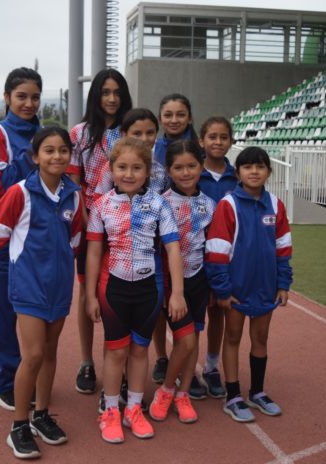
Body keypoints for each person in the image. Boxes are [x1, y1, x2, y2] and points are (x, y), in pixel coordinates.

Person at [0, 127, 83, 459]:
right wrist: (20, 268)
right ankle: (19, 425)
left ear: (71, 155)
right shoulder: (19, 193)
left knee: (51, 351)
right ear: (35, 155)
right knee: (34, 355)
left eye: (63, 150)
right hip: (29, 288)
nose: (57, 156)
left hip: (59, 288)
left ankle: (41, 415)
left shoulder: (74, 194)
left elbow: (76, 238)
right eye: (49, 150)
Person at [85, 137, 187, 443]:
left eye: (136, 168)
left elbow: (172, 250)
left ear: (147, 172)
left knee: (140, 350)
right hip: (112, 288)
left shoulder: (159, 204)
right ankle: (110, 412)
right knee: (116, 351)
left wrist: (178, 293)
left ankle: (133, 410)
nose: (129, 174)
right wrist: (89, 295)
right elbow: (92, 252)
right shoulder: (101, 205)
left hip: (149, 289)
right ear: (112, 169)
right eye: (122, 167)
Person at [204, 146, 293, 423]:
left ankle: (257, 391)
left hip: (265, 287)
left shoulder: (276, 205)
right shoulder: (228, 205)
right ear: (238, 173)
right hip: (237, 288)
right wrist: (223, 289)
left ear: (268, 171)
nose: (254, 171)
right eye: (247, 167)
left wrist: (283, 283)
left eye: (260, 166)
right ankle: (233, 395)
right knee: (232, 337)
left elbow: (283, 248)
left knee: (261, 338)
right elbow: (217, 251)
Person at [0, 67, 42, 411]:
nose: (28, 103)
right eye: (21, 96)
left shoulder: (46, 134)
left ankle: (30, 379)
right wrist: (32, 152)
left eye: (34, 97)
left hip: (37, 240)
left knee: (37, 314)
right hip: (3, 240)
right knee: (2, 314)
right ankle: (4, 383)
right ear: (6, 98)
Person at [68, 69, 133, 395]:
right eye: (105, 92)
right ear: (96, 95)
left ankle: (117, 363)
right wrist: (85, 215)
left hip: (124, 223)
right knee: (87, 293)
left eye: (117, 92)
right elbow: (73, 181)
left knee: (120, 293)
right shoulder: (79, 134)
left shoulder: (129, 132)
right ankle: (85, 362)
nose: (111, 98)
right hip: (90, 222)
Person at [148, 140, 216, 424]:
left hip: (198, 279)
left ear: (201, 166)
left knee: (193, 338)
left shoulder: (210, 204)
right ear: (169, 170)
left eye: (191, 166)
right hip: (170, 282)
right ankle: (165, 390)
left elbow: (212, 247)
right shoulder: (160, 202)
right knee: (185, 341)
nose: (186, 172)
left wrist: (212, 285)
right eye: (178, 167)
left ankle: (184, 393)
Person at [151, 94, 204, 398]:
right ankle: (162, 357)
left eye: (180, 114)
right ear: (161, 118)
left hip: (191, 242)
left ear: (189, 117)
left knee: (192, 315)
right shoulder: (155, 148)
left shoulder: (197, 149)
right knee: (161, 307)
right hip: (161, 232)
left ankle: (188, 369)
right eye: (168, 114)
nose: (174, 119)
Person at [196, 116, 237, 400]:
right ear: (202, 141)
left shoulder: (238, 177)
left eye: (223, 137)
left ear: (230, 142)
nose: (218, 142)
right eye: (212, 136)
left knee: (220, 312)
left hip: (227, 259)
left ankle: (211, 367)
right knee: (195, 314)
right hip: (197, 257)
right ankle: (188, 368)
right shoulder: (193, 174)